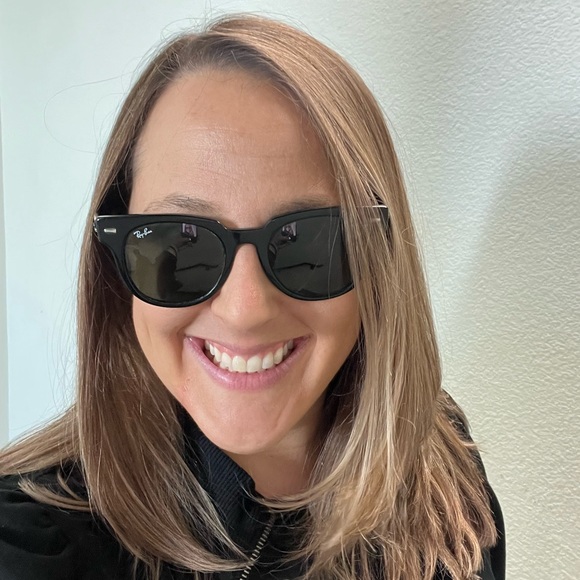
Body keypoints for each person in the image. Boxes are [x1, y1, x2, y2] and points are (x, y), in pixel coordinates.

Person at [0, 14, 505, 580]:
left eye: (309, 242)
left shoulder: (437, 461)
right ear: (115, 267)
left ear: (378, 263)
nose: (245, 310)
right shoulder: (29, 543)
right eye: (180, 244)